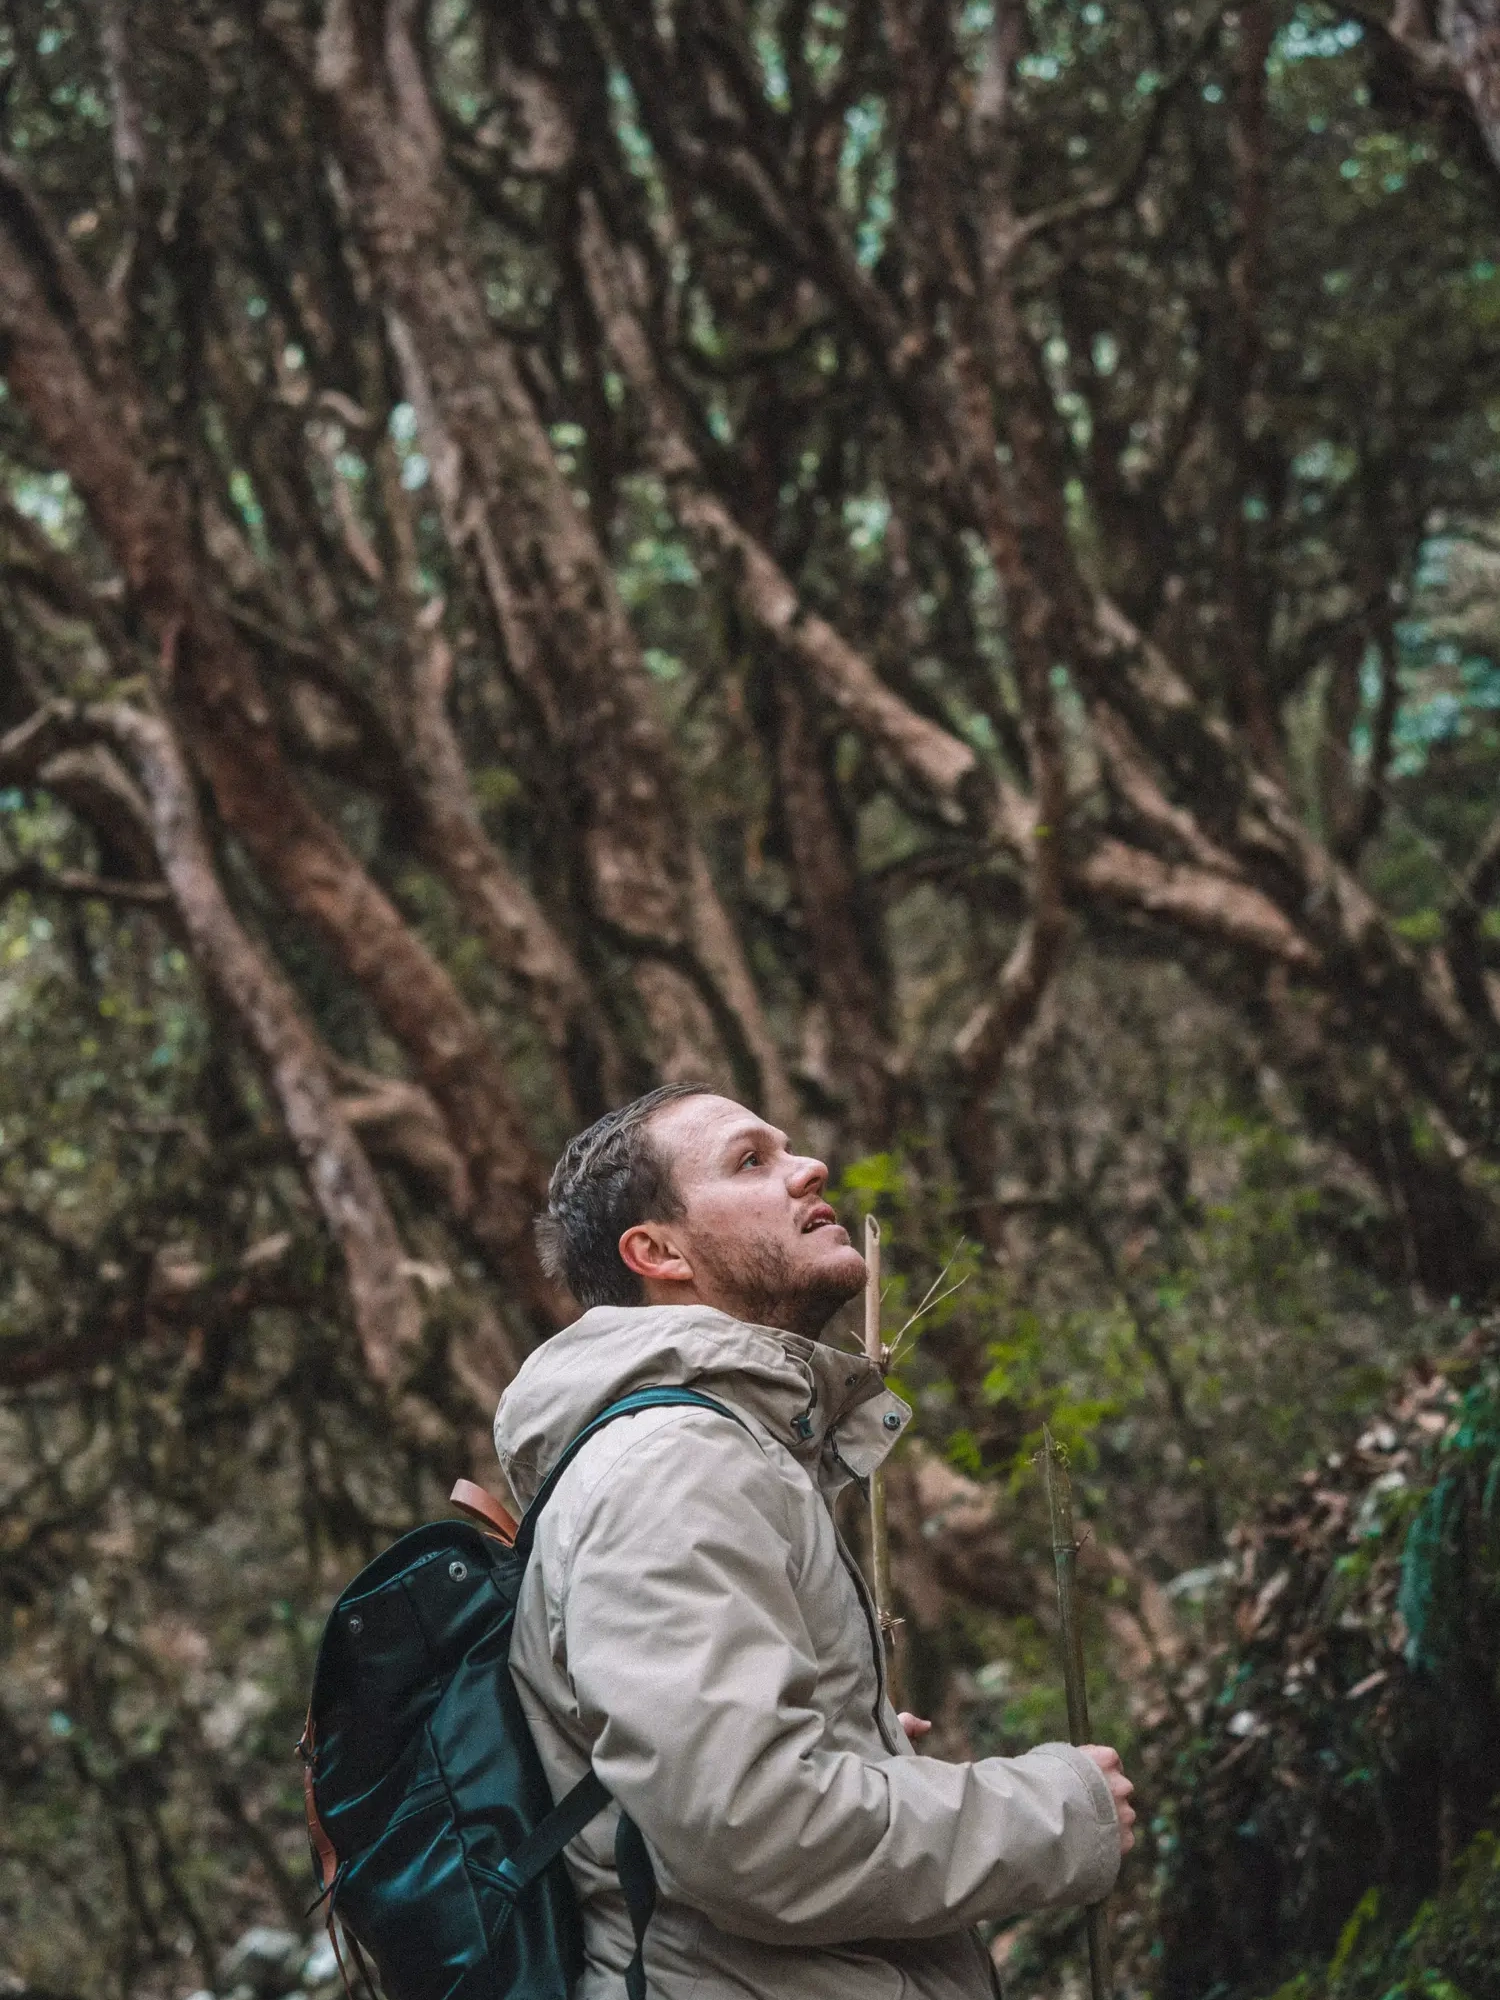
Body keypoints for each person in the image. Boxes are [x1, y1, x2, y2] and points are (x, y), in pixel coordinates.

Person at [495, 1084, 1135, 1999]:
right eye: (749, 1161)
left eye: (787, 1148)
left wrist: (854, 1752)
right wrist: (1055, 1814)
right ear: (657, 1251)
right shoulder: (671, 1464)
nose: (809, 1169)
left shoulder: (714, 1447)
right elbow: (753, 1832)